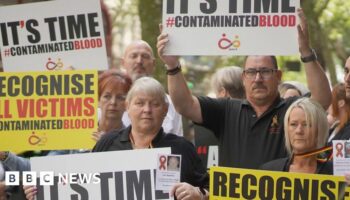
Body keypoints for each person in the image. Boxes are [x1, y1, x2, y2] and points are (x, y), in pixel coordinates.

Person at [157, 8, 331, 169]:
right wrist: (173, 66)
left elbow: (322, 99)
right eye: (251, 72)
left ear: (278, 76)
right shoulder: (226, 110)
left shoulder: (291, 110)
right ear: (243, 78)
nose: (258, 78)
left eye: (265, 71)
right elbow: (184, 105)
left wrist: (306, 52)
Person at [93, 77, 209, 200]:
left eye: (155, 104)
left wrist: (199, 194)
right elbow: (86, 181)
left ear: (165, 110)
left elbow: (212, 190)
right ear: (127, 106)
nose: (147, 110)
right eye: (140, 103)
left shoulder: (181, 148)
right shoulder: (108, 142)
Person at [120, 40, 184, 136]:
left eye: (145, 56)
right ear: (123, 63)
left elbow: (178, 145)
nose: (139, 61)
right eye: (134, 56)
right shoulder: (109, 102)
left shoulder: (170, 104)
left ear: (153, 63)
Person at [260, 98, 331, 173]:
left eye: (306, 124)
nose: (299, 131)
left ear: (320, 129)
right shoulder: (268, 171)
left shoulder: (336, 173)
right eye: (293, 124)